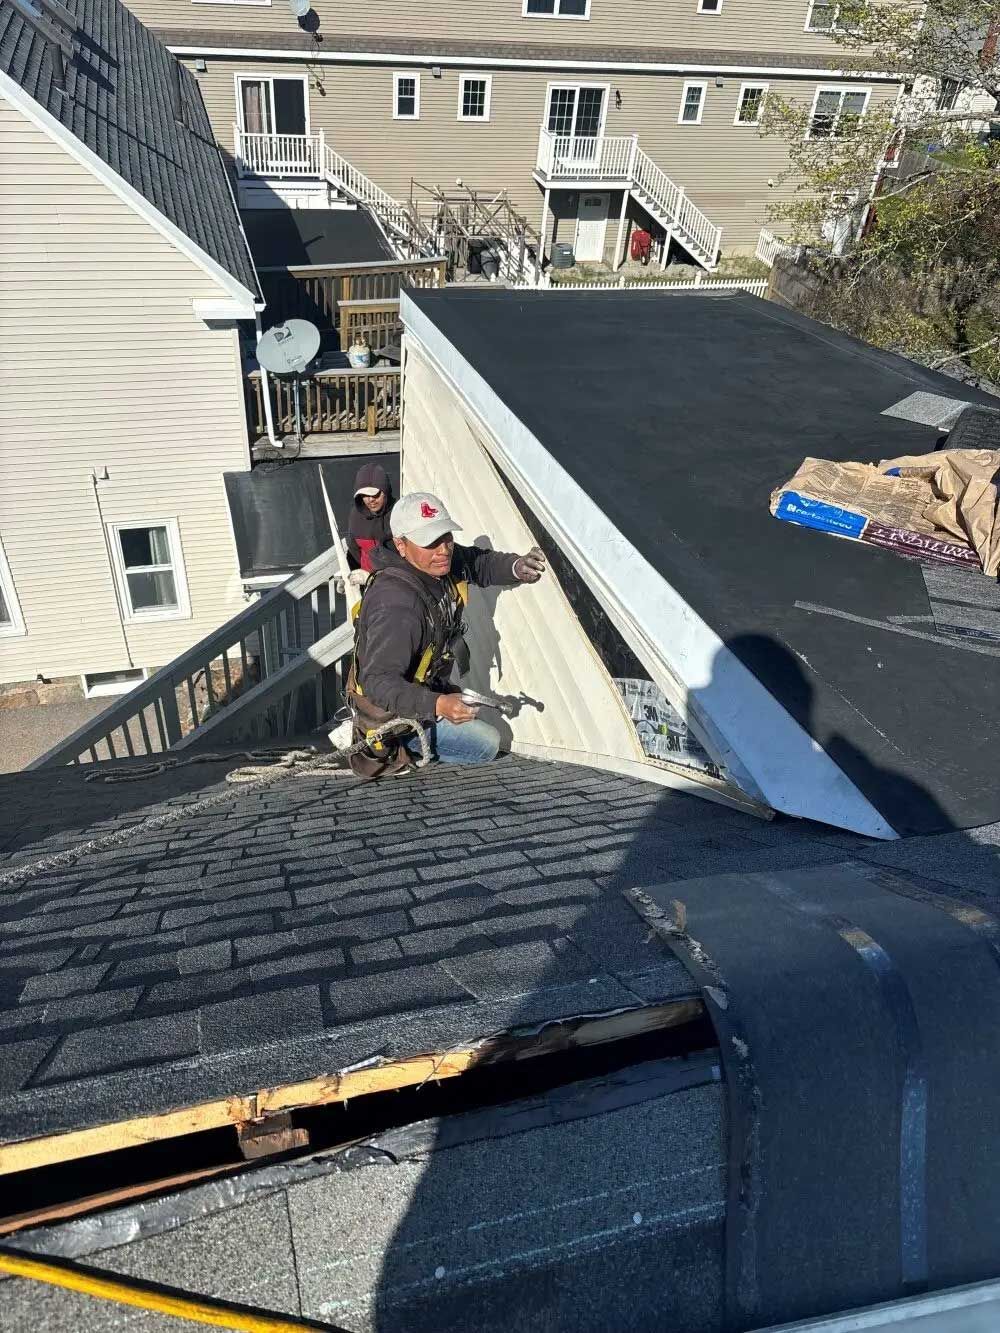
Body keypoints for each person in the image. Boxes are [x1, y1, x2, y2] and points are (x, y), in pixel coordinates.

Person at [347, 492, 546, 778]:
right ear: (401, 545)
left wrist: (517, 567)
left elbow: (478, 563)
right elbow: (378, 681)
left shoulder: (435, 561)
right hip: (394, 715)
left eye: (446, 537)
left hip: (424, 689)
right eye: (430, 542)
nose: (443, 550)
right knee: (486, 744)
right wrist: (437, 704)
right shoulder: (396, 604)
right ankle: (400, 745)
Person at [347, 462, 395, 572]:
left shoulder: (399, 513)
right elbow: (353, 549)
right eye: (364, 495)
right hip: (369, 579)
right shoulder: (356, 516)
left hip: (396, 579)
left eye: (375, 494)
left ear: (385, 491)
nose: (370, 500)